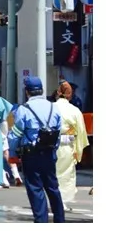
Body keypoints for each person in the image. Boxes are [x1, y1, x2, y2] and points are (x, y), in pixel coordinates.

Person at [9, 75, 65, 223]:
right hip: (49, 153)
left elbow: (15, 135)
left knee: (35, 189)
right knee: (53, 188)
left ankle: (41, 221)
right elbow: (58, 134)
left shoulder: (24, 109)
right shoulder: (55, 107)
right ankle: (60, 220)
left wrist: (13, 154)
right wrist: (53, 150)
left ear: (27, 91)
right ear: (41, 90)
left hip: (31, 155)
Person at [53, 81, 89, 209]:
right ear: (70, 95)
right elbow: (81, 132)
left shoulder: (51, 107)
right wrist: (78, 149)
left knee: (52, 173)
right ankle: (61, 201)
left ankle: (53, 200)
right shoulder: (74, 110)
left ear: (58, 93)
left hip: (49, 145)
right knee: (65, 174)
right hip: (67, 144)